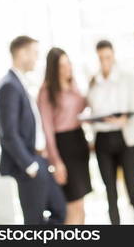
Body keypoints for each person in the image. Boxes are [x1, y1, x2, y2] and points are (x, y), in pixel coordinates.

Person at [0, 36, 66, 224]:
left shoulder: (20, 83)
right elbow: (8, 133)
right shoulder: (9, 86)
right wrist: (29, 165)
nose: (36, 58)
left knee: (59, 210)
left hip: (39, 160)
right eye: (34, 53)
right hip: (29, 164)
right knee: (34, 221)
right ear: (22, 53)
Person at [86, 40, 134, 225]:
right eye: (101, 58)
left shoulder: (127, 78)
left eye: (108, 57)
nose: (105, 62)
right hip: (103, 140)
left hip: (125, 138)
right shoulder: (94, 82)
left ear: (114, 56)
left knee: (133, 192)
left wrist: (125, 120)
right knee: (110, 193)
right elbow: (91, 110)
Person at [37, 47, 92, 225]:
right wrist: (56, 161)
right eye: (62, 66)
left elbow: (84, 109)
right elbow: (47, 129)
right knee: (72, 205)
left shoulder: (73, 85)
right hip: (63, 146)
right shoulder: (46, 91)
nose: (67, 68)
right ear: (53, 69)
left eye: (68, 63)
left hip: (79, 142)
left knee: (81, 204)